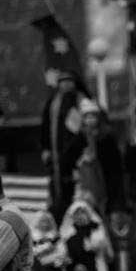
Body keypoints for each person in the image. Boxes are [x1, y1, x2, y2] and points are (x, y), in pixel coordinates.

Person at [41, 70, 85, 222]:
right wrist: (46, 148)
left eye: (69, 81)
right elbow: (45, 126)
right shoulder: (53, 103)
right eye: (62, 81)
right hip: (57, 154)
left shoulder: (82, 101)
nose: (66, 84)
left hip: (77, 153)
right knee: (58, 189)